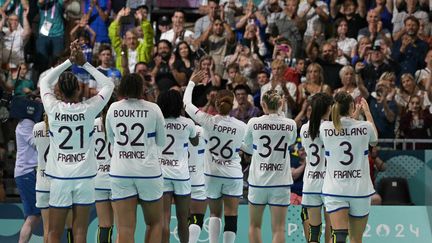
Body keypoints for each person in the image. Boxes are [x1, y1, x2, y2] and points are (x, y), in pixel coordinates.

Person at [40, 41, 114, 243]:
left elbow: (45, 82)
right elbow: (109, 85)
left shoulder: (53, 109)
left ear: (60, 92)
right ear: (78, 90)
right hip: (85, 178)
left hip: (60, 178)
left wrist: (68, 62)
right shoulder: (89, 109)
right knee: (80, 232)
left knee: (54, 233)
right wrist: (84, 64)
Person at [183, 70, 247, 243]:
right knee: (231, 215)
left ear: (216, 104)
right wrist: (238, 145)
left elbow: (187, 104)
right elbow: (251, 149)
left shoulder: (207, 121)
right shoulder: (241, 126)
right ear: (232, 104)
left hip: (211, 174)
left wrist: (191, 83)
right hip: (233, 174)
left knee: (214, 213)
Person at [105, 73, 166, 243]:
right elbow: (162, 141)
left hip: (121, 171)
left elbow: (111, 140)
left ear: (122, 87)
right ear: (142, 88)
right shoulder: (153, 109)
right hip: (148, 172)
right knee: (154, 223)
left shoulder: (113, 108)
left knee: (125, 228)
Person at [320, 92, 378, 243]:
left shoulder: (325, 128)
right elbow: (374, 141)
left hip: (335, 189)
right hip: (360, 190)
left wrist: (352, 117)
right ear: (352, 107)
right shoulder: (365, 126)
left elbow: (342, 127)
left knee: (339, 236)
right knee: (356, 238)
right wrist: (367, 112)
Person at [243, 89, 297, 243]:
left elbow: (246, 144)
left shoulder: (254, 122)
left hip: (258, 182)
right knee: (279, 228)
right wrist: (282, 113)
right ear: (281, 104)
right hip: (280, 182)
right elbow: (291, 141)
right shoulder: (290, 124)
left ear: (263, 104)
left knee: (254, 226)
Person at [156, 90, 198, 243]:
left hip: (162, 174)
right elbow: (195, 142)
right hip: (181, 176)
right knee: (183, 219)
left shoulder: (157, 121)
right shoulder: (187, 123)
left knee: (164, 219)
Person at [300, 93, 333, 243]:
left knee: (314, 233)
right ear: (328, 108)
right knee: (331, 230)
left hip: (311, 181)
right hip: (330, 182)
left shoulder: (304, 128)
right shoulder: (331, 128)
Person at [93, 97, 115, 243]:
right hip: (116, 179)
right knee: (123, 227)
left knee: (104, 225)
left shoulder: (92, 123)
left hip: (98, 179)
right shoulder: (117, 122)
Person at [15, 118, 41, 243]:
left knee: (35, 216)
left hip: (31, 172)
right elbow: (36, 143)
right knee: (32, 216)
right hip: (26, 172)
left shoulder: (30, 123)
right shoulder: (26, 123)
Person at [187, 124, 207, 243]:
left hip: (176, 178)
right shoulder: (202, 130)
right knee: (197, 217)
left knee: (182, 218)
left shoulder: (164, 126)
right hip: (197, 180)